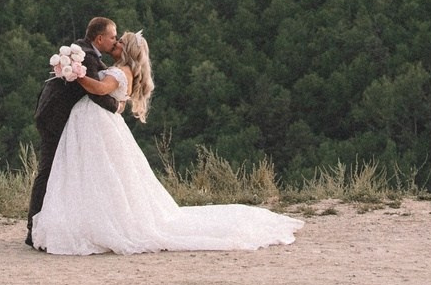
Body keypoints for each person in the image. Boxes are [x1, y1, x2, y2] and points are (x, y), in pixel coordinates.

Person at [30, 28, 300, 255]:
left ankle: (100, 222)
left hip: (97, 124)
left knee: (103, 174)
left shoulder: (121, 71)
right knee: (101, 175)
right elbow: (113, 95)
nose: (116, 43)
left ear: (126, 49)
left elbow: (100, 89)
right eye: (115, 38)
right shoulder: (118, 68)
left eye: (120, 41)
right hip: (93, 124)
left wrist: (76, 76)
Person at [25, 16, 124, 247]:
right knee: (48, 170)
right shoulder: (86, 56)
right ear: (99, 38)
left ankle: (51, 224)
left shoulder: (86, 52)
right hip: (54, 119)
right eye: (112, 36)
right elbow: (96, 92)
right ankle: (34, 229)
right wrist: (118, 106)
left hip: (58, 116)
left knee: (59, 171)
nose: (115, 40)